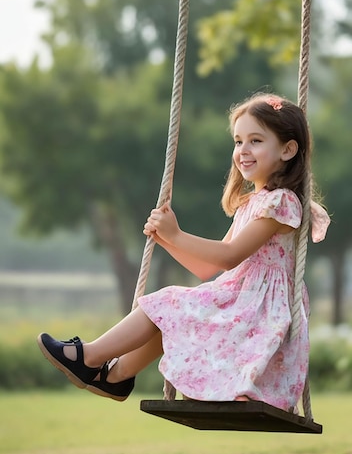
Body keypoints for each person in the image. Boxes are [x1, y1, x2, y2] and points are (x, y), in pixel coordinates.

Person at [38, 93, 329, 412]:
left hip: (261, 307)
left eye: (255, 141)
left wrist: (177, 234)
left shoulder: (282, 202)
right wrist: (167, 240)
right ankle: (116, 375)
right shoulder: (251, 204)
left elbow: (229, 256)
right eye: (238, 141)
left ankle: (90, 356)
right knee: (172, 312)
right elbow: (209, 268)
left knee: (168, 303)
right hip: (240, 296)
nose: (243, 151)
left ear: (288, 149)